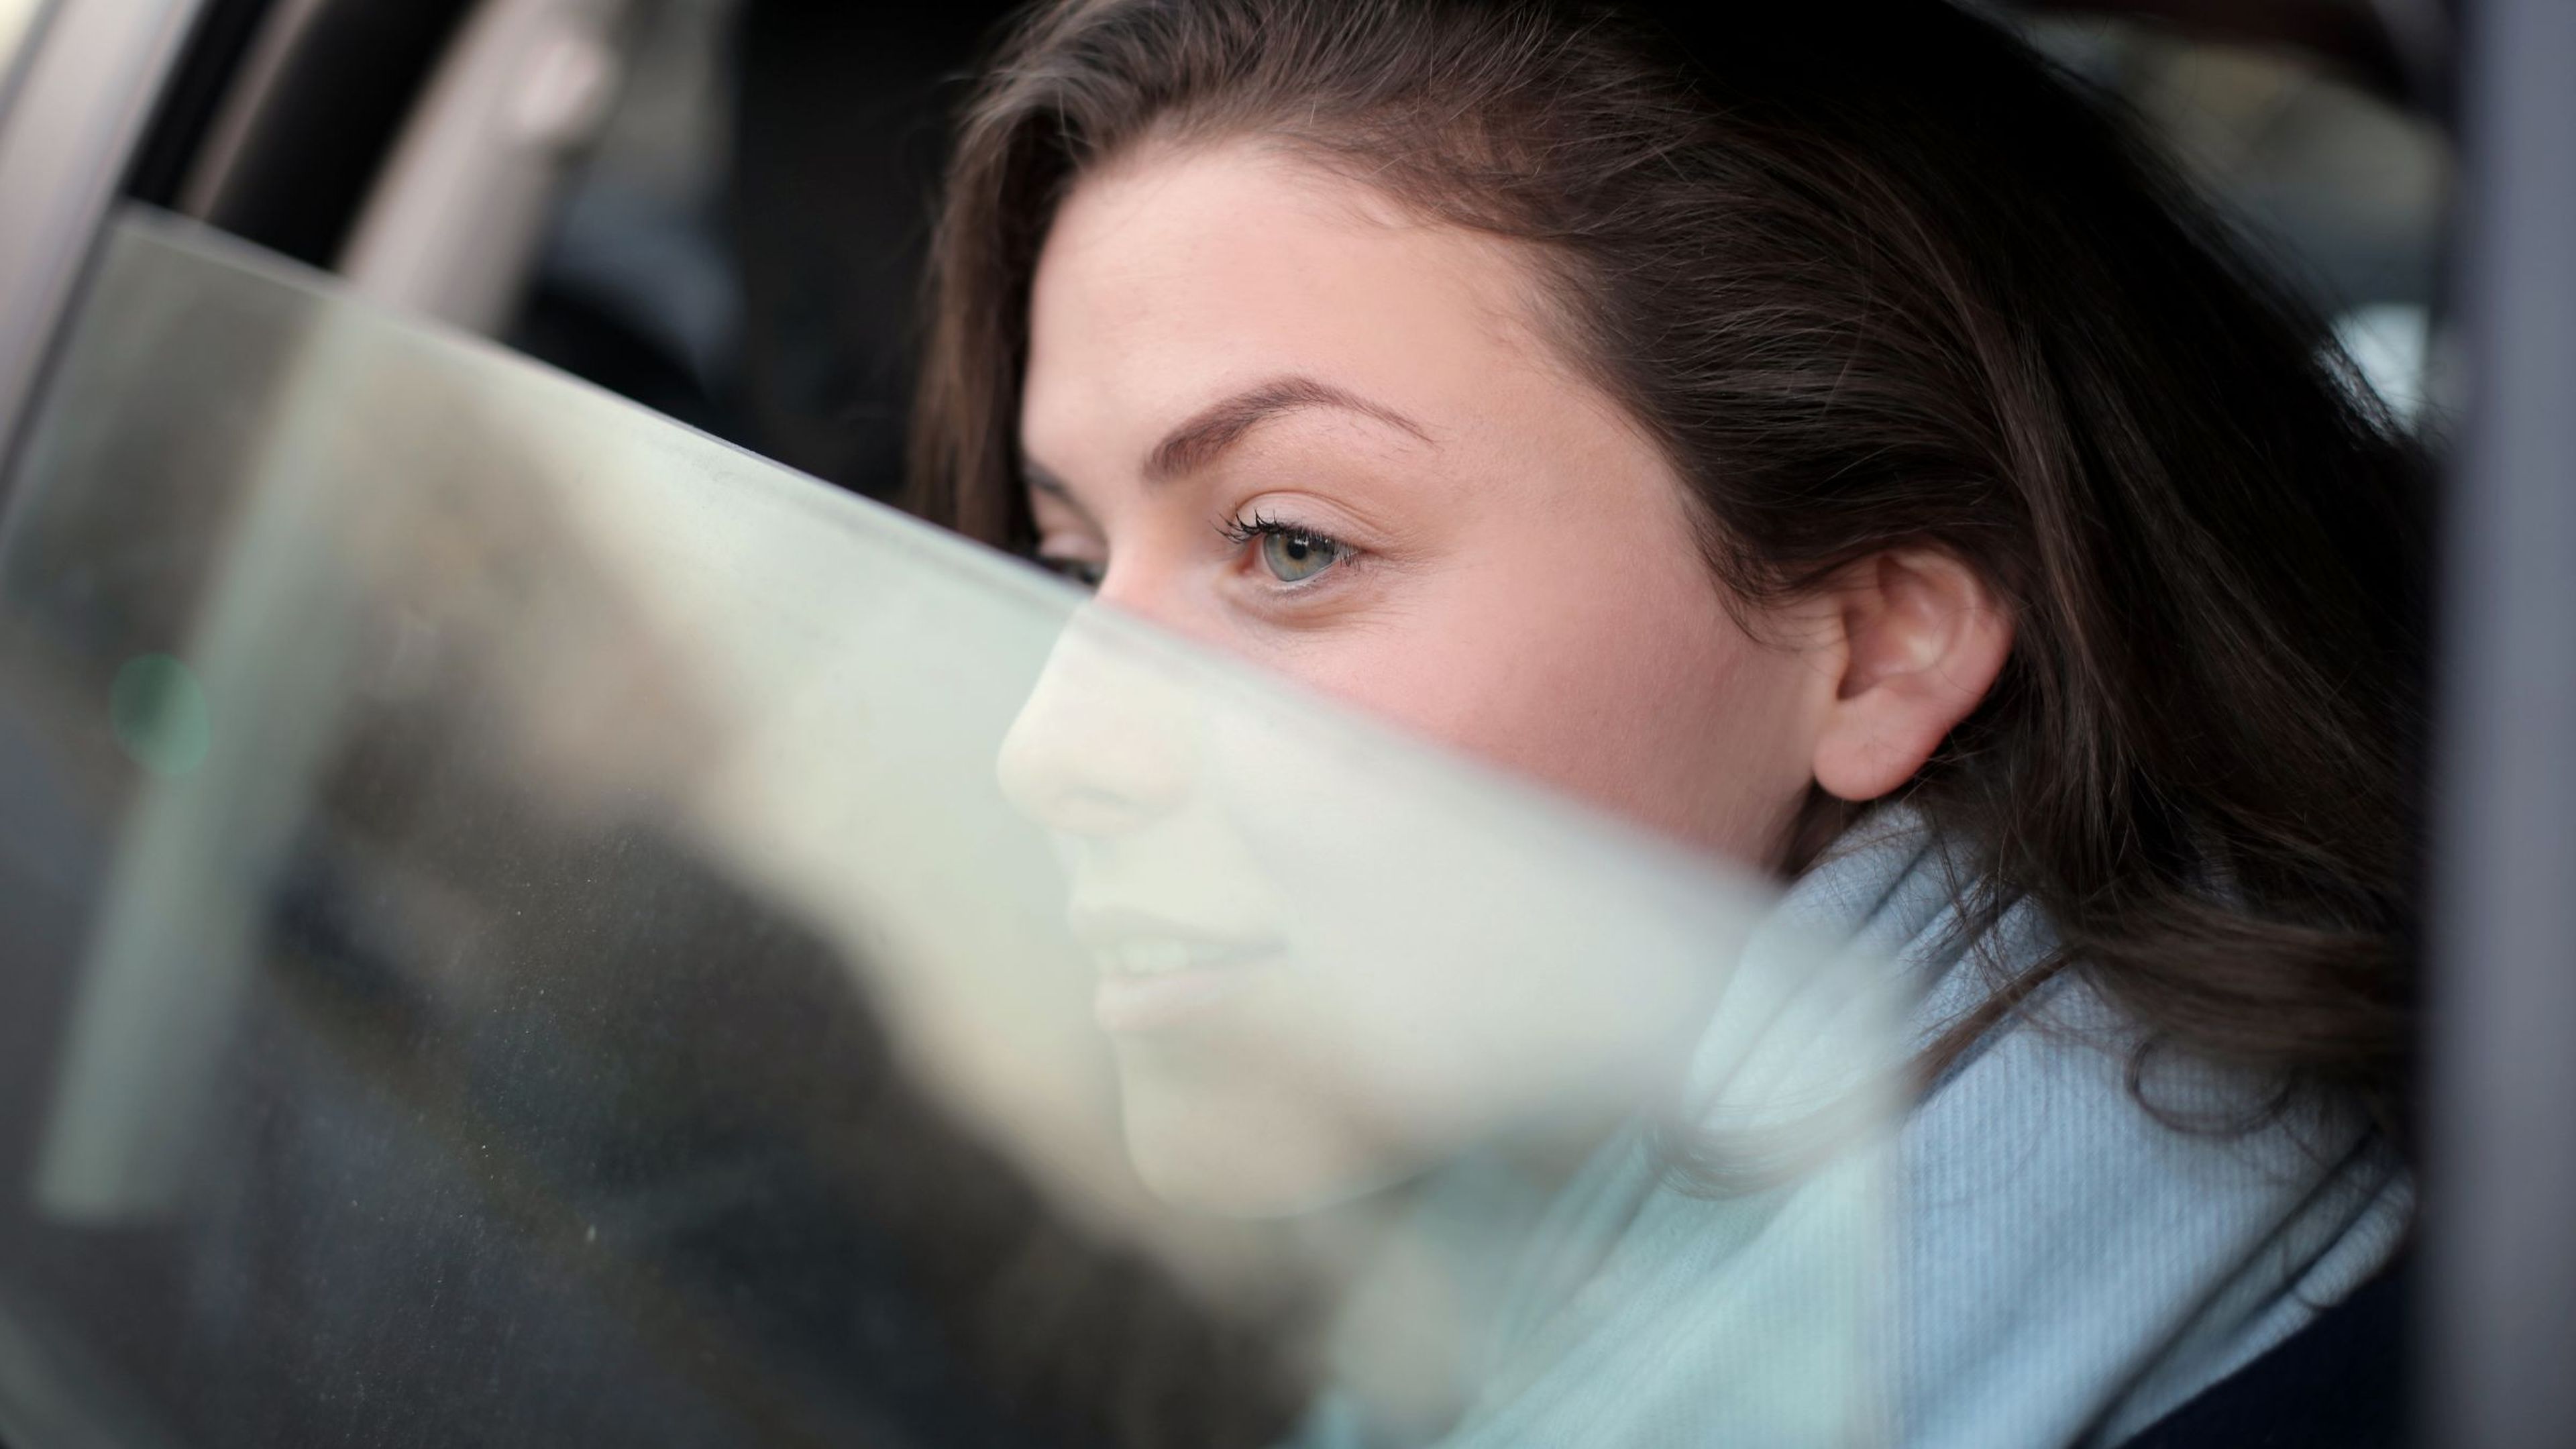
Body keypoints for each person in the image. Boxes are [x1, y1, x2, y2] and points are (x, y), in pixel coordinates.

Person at [905, 0, 2424, 1443]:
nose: (1051, 746)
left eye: (1292, 544)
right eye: (1072, 566)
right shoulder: (1455, 1281)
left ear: (1879, 647)